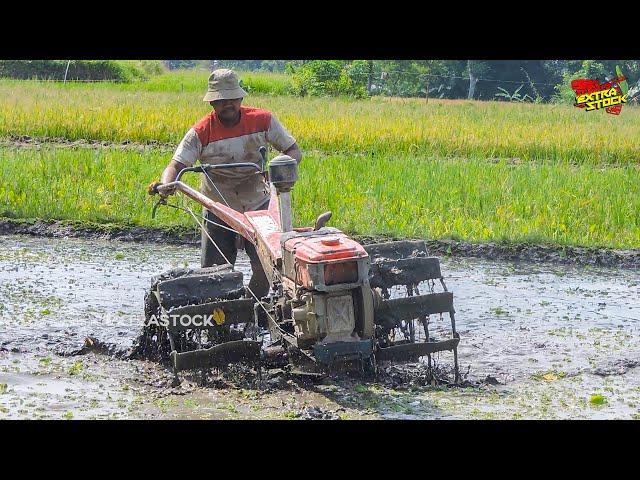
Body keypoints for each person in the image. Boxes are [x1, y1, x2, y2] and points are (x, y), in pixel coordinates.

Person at [156, 68, 302, 299]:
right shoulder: (201, 131)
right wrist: (167, 184)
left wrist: (278, 170)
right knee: (213, 276)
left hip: (258, 205)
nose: (227, 104)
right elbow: (176, 165)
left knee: (268, 268)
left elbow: (293, 150)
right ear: (212, 103)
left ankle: (252, 307)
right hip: (219, 207)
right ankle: (221, 322)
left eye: (231, 99)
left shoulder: (262, 120)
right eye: (221, 100)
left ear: (240, 98)